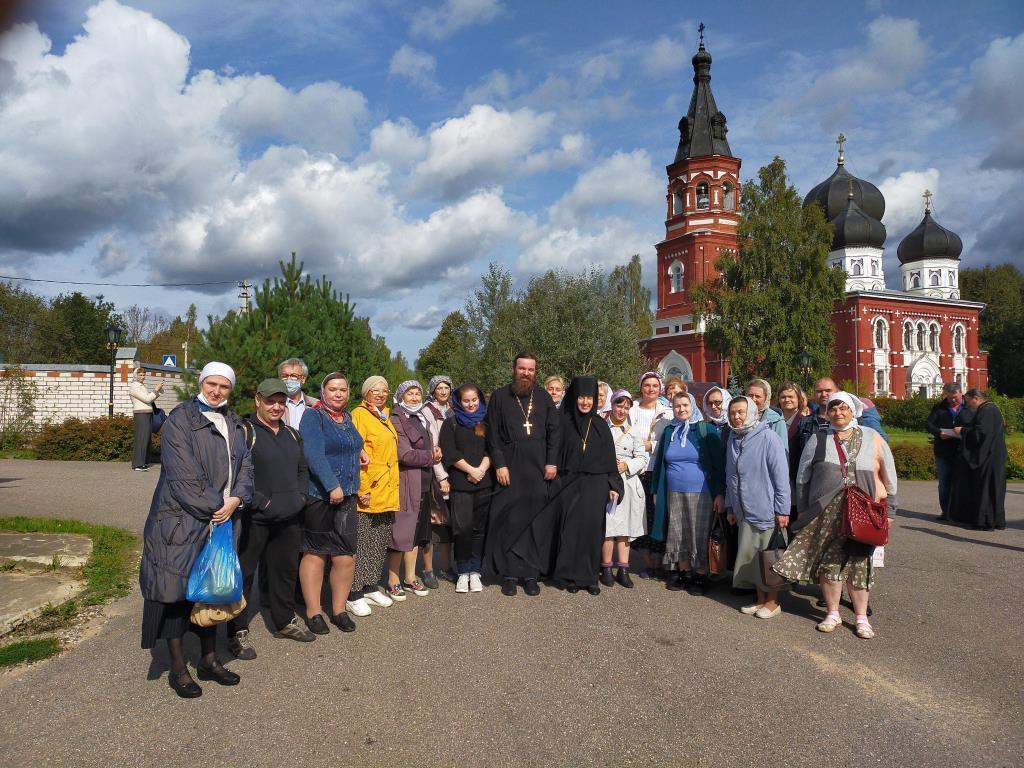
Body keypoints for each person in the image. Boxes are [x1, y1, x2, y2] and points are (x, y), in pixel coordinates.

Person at [139, 362, 253, 698]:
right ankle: (178, 668)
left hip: (221, 519)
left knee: (213, 589)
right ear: (201, 383)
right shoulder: (181, 420)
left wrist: (236, 499)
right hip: (181, 522)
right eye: (211, 384)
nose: (217, 391)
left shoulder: (234, 422)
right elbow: (182, 476)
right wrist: (217, 507)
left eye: (224, 386)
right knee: (176, 594)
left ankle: (208, 660)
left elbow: (246, 466)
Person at [773, 392, 897, 639]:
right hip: (826, 511)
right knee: (829, 564)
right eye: (833, 409)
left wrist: (890, 509)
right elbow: (803, 476)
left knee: (859, 564)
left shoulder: (872, 437)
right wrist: (805, 506)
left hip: (862, 513)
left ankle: (861, 618)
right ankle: (832, 613)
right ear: (827, 412)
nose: (838, 413)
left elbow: (889, 474)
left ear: (853, 411)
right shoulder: (819, 439)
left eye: (843, 409)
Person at [226, 378, 315, 659]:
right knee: (245, 575)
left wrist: (300, 497)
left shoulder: (291, 434)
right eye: (270, 401)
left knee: (284, 571)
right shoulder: (245, 431)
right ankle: (236, 630)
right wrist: (261, 501)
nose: (276, 406)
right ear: (257, 401)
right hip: (256, 518)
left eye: (281, 401)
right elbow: (238, 472)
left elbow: (302, 469)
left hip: (289, 518)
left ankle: (283, 621)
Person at [525, 377, 623, 595]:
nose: (586, 402)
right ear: (574, 398)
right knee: (569, 530)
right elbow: (552, 453)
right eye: (581, 397)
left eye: (590, 398)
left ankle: (589, 578)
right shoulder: (563, 422)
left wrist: (614, 485)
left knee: (592, 531)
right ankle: (569, 576)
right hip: (569, 483)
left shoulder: (600, 426)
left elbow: (609, 460)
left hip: (596, 485)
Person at [484, 353, 562, 597]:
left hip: (539, 465)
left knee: (534, 521)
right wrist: (499, 464)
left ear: (535, 372)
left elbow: (554, 432)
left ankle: (531, 574)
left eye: (530, 369)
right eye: (522, 368)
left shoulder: (543, 397)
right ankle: (508, 574)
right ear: (514, 369)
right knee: (510, 520)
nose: (526, 373)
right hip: (510, 465)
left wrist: (551, 462)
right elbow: (492, 434)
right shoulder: (499, 396)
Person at [297, 373, 366, 631]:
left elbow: (350, 443)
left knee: (345, 555)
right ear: (323, 392)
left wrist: (361, 451)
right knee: (315, 553)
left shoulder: (346, 418)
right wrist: (331, 484)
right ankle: (314, 612)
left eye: (343, 390)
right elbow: (313, 454)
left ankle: (338, 609)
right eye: (333, 389)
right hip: (321, 495)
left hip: (347, 495)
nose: (338, 394)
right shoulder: (314, 416)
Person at [650, 392, 724, 594]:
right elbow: (660, 464)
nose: (681, 409)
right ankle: (683, 571)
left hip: (702, 493)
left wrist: (720, 493)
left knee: (698, 533)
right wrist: (656, 490)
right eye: (677, 406)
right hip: (673, 492)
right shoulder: (669, 432)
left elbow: (719, 465)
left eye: (685, 405)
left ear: (692, 406)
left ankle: (700, 575)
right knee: (678, 533)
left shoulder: (705, 429)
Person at [724, 396, 791, 618]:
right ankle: (760, 599)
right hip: (744, 510)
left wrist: (782, 510)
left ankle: (773, 602)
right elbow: (730, 477)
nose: (736, 416)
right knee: (753, 559)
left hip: (766, 509)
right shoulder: (733, 438)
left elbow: (781, 477)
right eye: (733, 412)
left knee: (769, 558)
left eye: (741, 412)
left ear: (752, 412)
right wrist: (731, 507)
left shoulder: (768, 437)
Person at [349, 376, 399, 611]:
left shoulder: (383, 416)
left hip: (387, 491)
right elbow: (356, 454)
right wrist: (362, 488)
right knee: (362, 542)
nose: (380, 394)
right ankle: (353, 591)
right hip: (370, 489)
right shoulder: (359, 415)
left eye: (384, 391)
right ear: (366, 392)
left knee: (378, 542)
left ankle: (370, 586)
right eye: (375, 390)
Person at [439, 382, 492, 593]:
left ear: (480, 399)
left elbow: (494, 448)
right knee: (462, 530)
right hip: (461, 484)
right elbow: (450, 452)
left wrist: (482, 469)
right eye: (466, 401)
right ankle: (463, 571)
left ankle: (475, 570)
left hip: (484, 483)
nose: (470, 404)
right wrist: (471, 470)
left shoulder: (486, 422)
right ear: (459, 402)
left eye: (474, 400)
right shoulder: (451, 424)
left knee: (479, 529)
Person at [387, 380, 435, 600]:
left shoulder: (420, 417)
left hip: (424, 482)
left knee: (415, 534)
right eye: (410, 393)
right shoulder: (396, 418)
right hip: (407, 482)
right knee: (401, 532)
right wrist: (431, 457)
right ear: (400, 396)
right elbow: (404, 454)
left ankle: (410, 577)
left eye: (417, 393)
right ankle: (392, 580)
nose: (415, 397)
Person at [629, 371, 673, 578]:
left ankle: (659, 561)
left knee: (658, 516)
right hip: (637, 470)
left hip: (658, 469)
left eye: (655, 385)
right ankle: (647, 562)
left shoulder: (667, 412)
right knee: (640, 515)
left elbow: (670, 440)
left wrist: (651, 445)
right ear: (641, 387)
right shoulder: (632, 410)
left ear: (660, 388)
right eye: (647, 385)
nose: (651, 389)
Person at [602, 389, 647, 588]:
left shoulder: (634, 431)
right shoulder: (602, 427)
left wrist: (627, 465)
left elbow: (642, 458)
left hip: (628, 483)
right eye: (619, 405)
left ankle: (624, 568)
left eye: (626, 407)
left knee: (625, 529)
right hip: (607, 483)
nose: (622, 410)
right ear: (612, 405)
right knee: (608, 528)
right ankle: (606, 568)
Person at [949, 389, 1007, 531]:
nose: (968, 405)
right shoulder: (992, 409)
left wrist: (962, 431)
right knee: (995, 489)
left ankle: (985, 521)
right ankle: (996, 520)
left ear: (976, 398)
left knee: (986, 488)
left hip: (988, 457)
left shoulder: (986, 411)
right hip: (994, 455)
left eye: (968, 401)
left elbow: (981, 434)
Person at [420, 375, 454, 587]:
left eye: (446, 387)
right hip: (435, 473)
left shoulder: (453, 409)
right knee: (433, 523)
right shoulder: (427, 411)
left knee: (448, 523)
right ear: (432, 391)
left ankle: (447, 567)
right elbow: (433, 447)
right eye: (439, 388)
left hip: (454, 469)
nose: (443, 391)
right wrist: (442, 476)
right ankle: (429, 569)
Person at [925, 383, 964, 522]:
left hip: (963, 451)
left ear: (961, 393)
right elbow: (928, 424)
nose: (953, 401)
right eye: (950, 398)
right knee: (944, 483)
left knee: (961, 482)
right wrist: (939, 433)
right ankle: (946, 512)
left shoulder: (968, 407)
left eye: (955, 398)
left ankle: (960, 512)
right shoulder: (940, 407)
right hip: (943, 450)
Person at [777, 382, 810, 529]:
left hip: (795, 480)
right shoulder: (773, 422)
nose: (787, 400)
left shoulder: (805, 422)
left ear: (799, 399)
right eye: (783, 397)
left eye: (791, 396)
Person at [128, 367, 163, 471]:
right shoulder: (134, 387)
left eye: (143, 375)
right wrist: (155, 390)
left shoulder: (141, 386)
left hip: (147, 414)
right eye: (140, 375)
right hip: (141, 415)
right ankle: (137, 464)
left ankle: (144, 462)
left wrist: (158, 391)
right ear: (135, 376)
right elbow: (147, 399)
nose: (142, 377)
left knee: (146, 439)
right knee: (141, 439)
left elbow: (149, 399)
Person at [796, 377, 838, 458]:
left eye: (828, 390)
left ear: (836, 392)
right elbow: (798, 455)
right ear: (814, 394)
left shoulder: (848, 422)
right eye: (819, 391)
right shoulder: (804, 423)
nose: (823, 394)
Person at [746, 379, 788, 455]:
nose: (753, 399)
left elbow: (782, 452)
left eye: (758, 396)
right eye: (750, 395)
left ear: (766, 398)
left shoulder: (776, 420)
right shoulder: (739, 416)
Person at [278, 358, 319, 429]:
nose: (289, 379)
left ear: (303, 379)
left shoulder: (316, 404)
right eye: (285, 376)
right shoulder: (274, 404)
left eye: (294, 376)